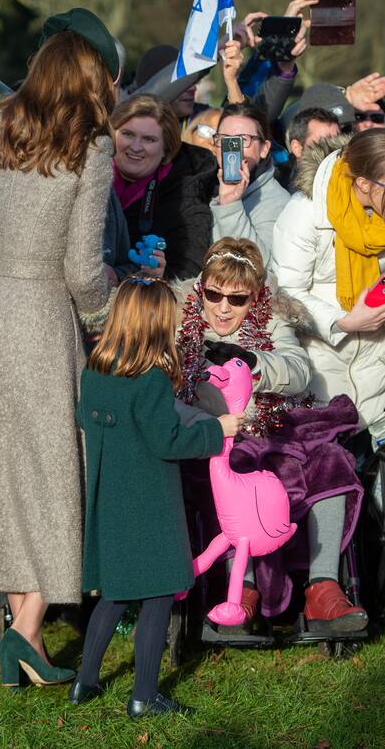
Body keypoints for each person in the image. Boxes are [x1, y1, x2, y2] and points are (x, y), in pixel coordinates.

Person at [0, 8, 119, 688]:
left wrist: (3, 260)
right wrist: (108, 316)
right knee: (52, 473)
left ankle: (22, 635)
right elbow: (83, 271)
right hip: (43, 320)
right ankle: (25, 633)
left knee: (0, 472)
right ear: (88, 79)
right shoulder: (91, 148)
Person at [175, 238, 367, 632]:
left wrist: (253, 362)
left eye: (237, 299)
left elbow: (298, 369)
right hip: (212, 438)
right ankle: (241, 589)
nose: (223, 308)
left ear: (254, 297)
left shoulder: (272, 318)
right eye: (214, 294)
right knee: (230, 470)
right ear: (201, 289)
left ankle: (323, 588)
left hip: (273, 428)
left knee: (330, 461)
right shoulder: (177, 320)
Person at [69, 276, 240, 716]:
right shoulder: (150, 380)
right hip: (149, 504)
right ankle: (145, 695)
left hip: (111, 500)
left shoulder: (95, 371)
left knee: (115, 593)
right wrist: (215, 429)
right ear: (154, 323)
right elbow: (168, 442)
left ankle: (85, 682)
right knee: (160, 592)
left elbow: (89, 420)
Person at [272, 129, 385, 443]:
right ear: (363, 183)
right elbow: (287, 291)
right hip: (323, 368)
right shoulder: (307, 211)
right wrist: (342, 323)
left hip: (380, 364)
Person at [111, 93, 216, 280]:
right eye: (128, 134)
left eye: (149, 139)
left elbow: (188, 270)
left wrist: (161, 275)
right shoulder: (89, 173)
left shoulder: (185, 192)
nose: (136, 147)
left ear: (166, 149)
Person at [210, 103, 290, 267]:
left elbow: (262, 268)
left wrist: (230, 205)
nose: (232, 149)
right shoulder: (202, 186)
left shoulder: (277, 202)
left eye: (242, 140)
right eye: (224, 139)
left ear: (264, 149)